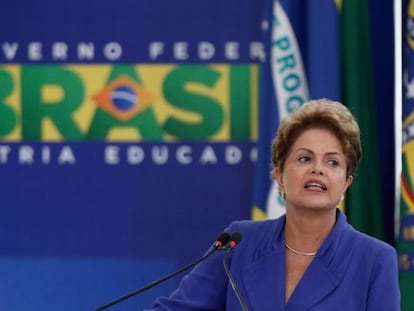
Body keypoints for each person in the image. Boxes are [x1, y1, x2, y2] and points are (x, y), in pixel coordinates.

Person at [145, 99, 400, 310]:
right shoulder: (239, 243)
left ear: (346, 182)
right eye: (304, 158)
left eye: (332, 162)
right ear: (279, 176)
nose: (317, 169)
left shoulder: (374, 259)